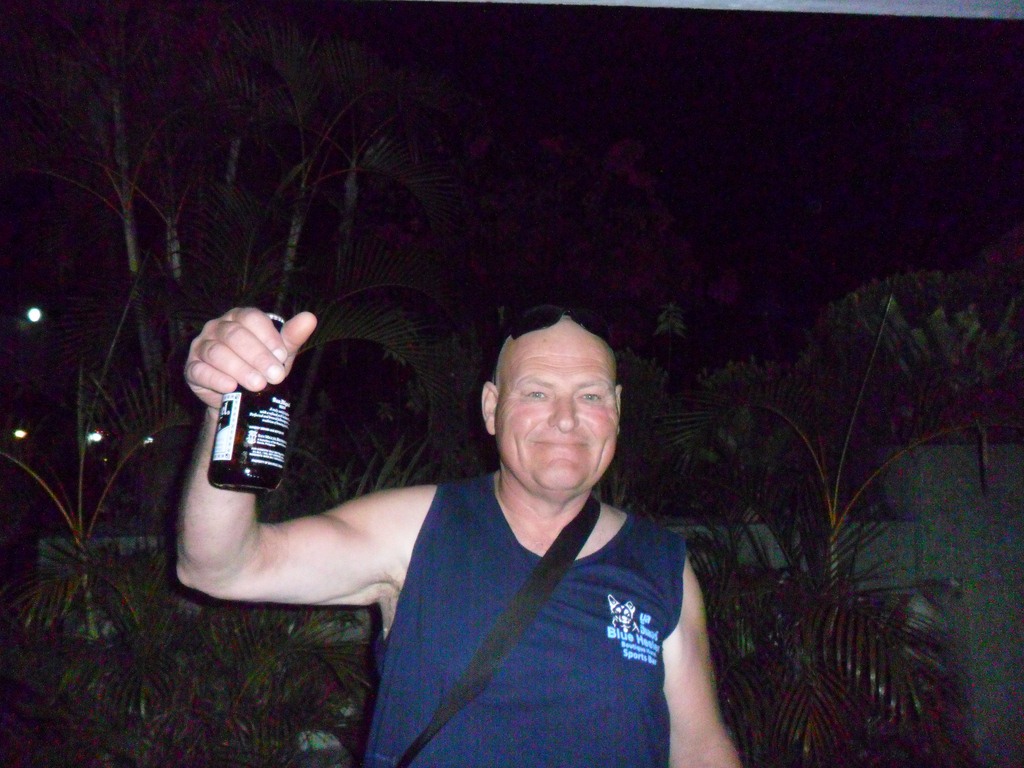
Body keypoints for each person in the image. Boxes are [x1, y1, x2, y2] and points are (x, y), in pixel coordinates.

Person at [178, 305, 743, 768]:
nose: (566, 418)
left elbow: (699, 748)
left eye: (590, 395)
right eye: (537, 393)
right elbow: (221, 566)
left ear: (616, 411)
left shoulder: (662, 563)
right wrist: (227, 407)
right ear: (492, 409)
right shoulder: (415, 528)